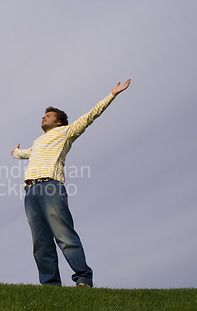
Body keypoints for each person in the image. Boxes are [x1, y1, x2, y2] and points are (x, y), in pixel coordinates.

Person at [11, 79, 131, 287]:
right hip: (30, 191)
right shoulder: (39, 141)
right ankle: (50, 285)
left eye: (47, 115)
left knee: (63, 234)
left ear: (58, 122)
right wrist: (16, 153)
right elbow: (28, 153)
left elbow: (91, 115)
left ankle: (83, 278)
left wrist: (112, 95)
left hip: (51, 186)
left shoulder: (66, 132)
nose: (43, 117)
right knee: (40, 243)